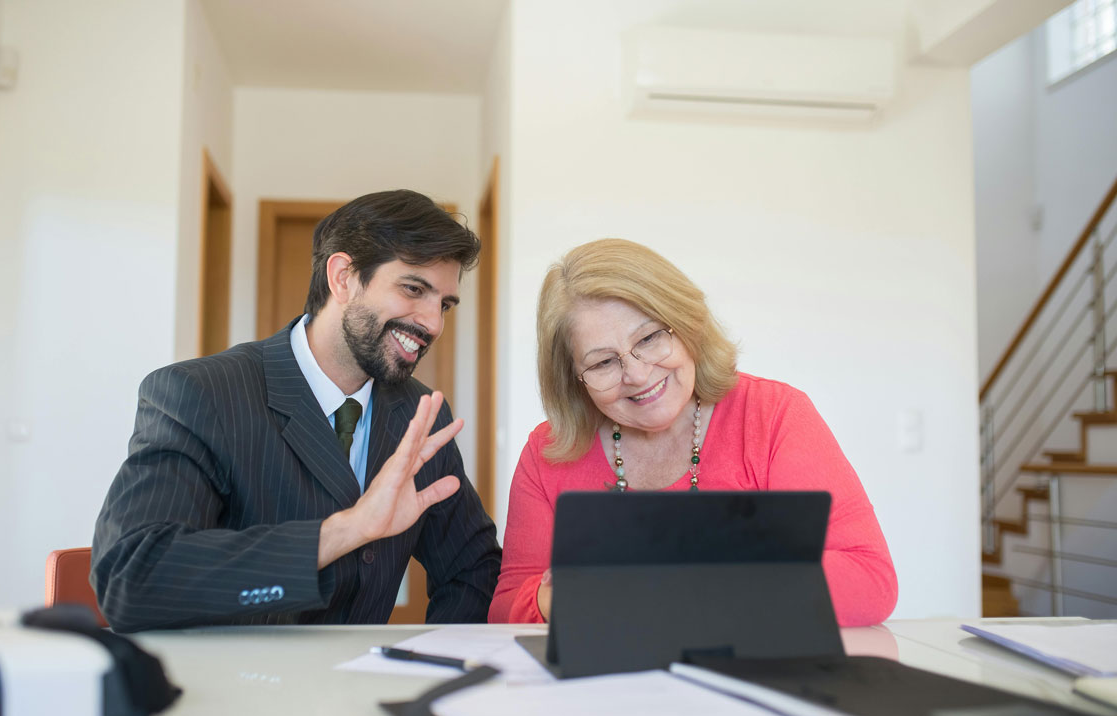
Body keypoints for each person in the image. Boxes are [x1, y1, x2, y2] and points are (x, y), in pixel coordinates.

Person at [93, 189, 500, 632]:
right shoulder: (199, 394)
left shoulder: (421, 417)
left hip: (362, 694)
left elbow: (474, 569)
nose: (434, 323)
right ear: (343, 277)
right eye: (413, 289)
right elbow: (131, 579)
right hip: (230, 692)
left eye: (444, 304)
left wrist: (425, 662)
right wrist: (349, 529)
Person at [488, 239, 897, 627]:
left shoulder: (773, 415)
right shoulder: (547, 451)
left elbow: (869, 579)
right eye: (603, 363)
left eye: (648, 338)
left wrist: (657, 584)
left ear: (685, 325)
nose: (638, 374)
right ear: (575, 380)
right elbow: (507, 606)